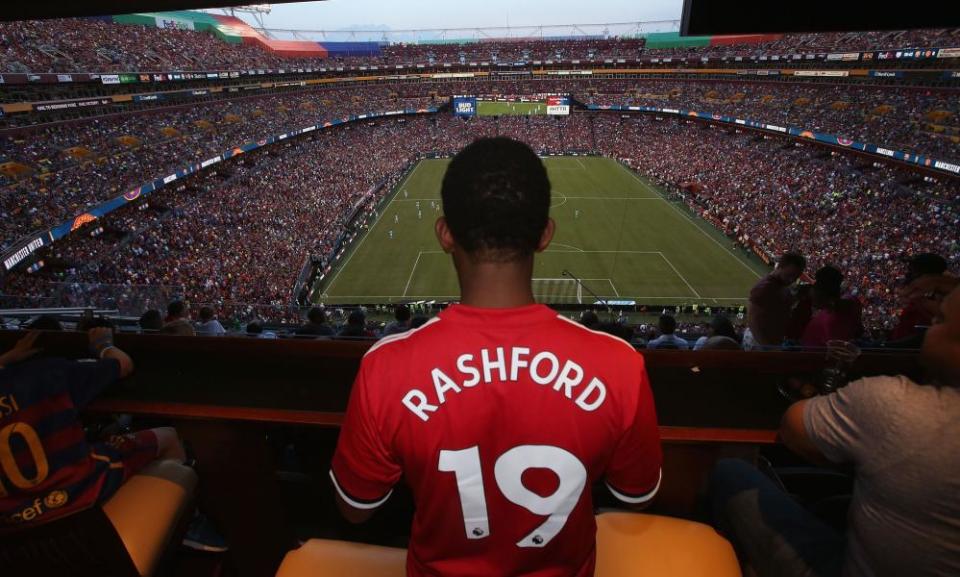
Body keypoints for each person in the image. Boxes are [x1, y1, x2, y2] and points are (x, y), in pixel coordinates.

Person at [330, 137, 662, 577]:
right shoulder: (620, 365)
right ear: (545, 234)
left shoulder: (385, 368)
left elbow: (356, 508)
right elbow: (636, 493)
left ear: (445, 233)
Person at [711, 278, 960, 577]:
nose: (929, 323)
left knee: (729, 470)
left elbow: (793, 429)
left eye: (941, 319)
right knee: (835, 504)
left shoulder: (897, 405)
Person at [0, 329, 186, 532]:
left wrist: (6, 358)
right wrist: (103, 344)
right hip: (77, 496)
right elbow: (124, 364)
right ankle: (186, 523)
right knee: (169, 436)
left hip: (12, 524)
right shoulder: (51, 373)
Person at [746, 252, 806, 348]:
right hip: (759, 343)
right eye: (789, 275)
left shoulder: (781, 285)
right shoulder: (765, 287)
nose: (792, 280)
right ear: (780, 267)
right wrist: (766, 347)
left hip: (772, 342)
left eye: (795, 277)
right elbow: (752, 320)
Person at [889, 253, 951, 344]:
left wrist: (887, 346)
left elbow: (925, 338)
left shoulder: (943, 302)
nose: (908, 274)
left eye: (913, 271)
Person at [800, 266, 863, 348]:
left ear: (821, 294)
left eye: (814, 290)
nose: (811, 296)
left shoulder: (828, 321)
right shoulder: (852, 302)